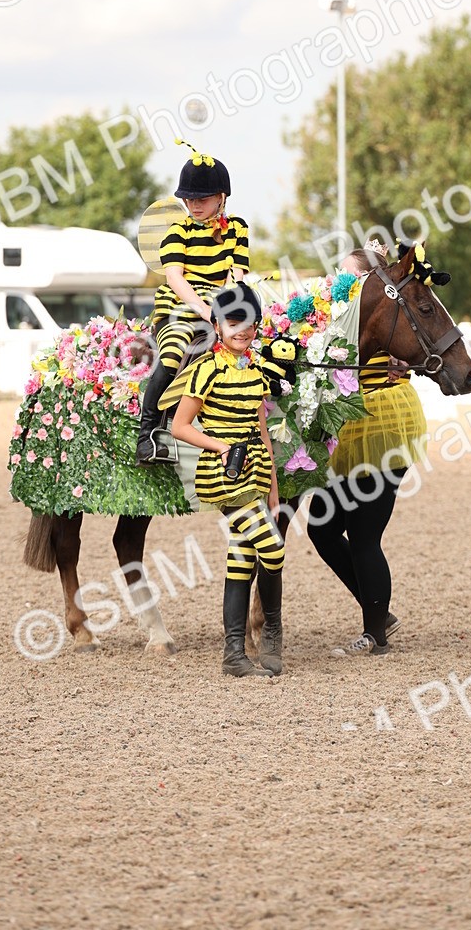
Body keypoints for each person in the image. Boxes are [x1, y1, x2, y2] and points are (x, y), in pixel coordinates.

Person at [306, 243, 427, 656]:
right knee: (321, 527)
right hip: (350, 426)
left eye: (349, 278)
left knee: (363, 534)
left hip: (382, 421)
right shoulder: (344, 317)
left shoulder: (384, 316)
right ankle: (378, 611)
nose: (340, 285)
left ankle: (374, 631)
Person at [170, 283, 284, 677]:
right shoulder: (204, 370)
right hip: (223, 474)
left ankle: (234, 653)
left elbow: (263, 431)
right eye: (233, 322)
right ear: (217, 325)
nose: (243, 330)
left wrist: (273, 488)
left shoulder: (256, 369)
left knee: (242, 558)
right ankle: (271, 631)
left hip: (254, 471)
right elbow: (180, 426)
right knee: (274, 550)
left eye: (249, 323)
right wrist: (218, 445)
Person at [136, 139, 249, 463]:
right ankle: (147, 437)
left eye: (202, 198)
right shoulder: (176, 232)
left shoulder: (238, 229)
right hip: (178, 309)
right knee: (171, 358)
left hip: (220, 308)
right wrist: (203, 310)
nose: (194, 205)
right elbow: (175, 278)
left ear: (221, 197)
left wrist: (231, 311)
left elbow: (236, 275)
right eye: (189, 199)